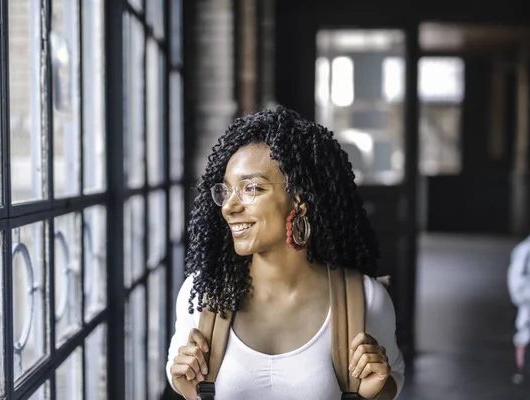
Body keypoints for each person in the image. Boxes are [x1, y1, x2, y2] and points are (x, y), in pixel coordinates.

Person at [166, 106, 405, 399]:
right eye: (226, 191)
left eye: (251, 188)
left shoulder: (364, 299)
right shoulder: (201, 294)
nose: (229, 207)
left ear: (299, 199)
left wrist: (371, 394)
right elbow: (184, 381)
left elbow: (392, 380)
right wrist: (189, 389)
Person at [507, 234, 530, 384]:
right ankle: (522, 371)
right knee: (524, 334)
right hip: (528, 304)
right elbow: (516, 278)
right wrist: (523, 296)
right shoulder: (525, 250)